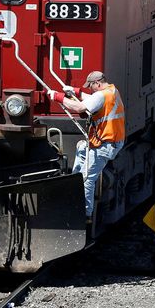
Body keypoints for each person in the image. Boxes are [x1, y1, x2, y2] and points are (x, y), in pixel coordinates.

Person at [47, 71, 125, 219]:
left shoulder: (102, 95)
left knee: (87, 178)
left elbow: (80, 108)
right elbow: (92, 100)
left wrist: (58, 97)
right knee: (82, 147)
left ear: (97, 83)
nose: (90, 89)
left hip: (105, 145)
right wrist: (75, 92)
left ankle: (85, 214)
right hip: (109, 142)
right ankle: (74, 187)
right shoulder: (112, 91)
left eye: (91, 86)